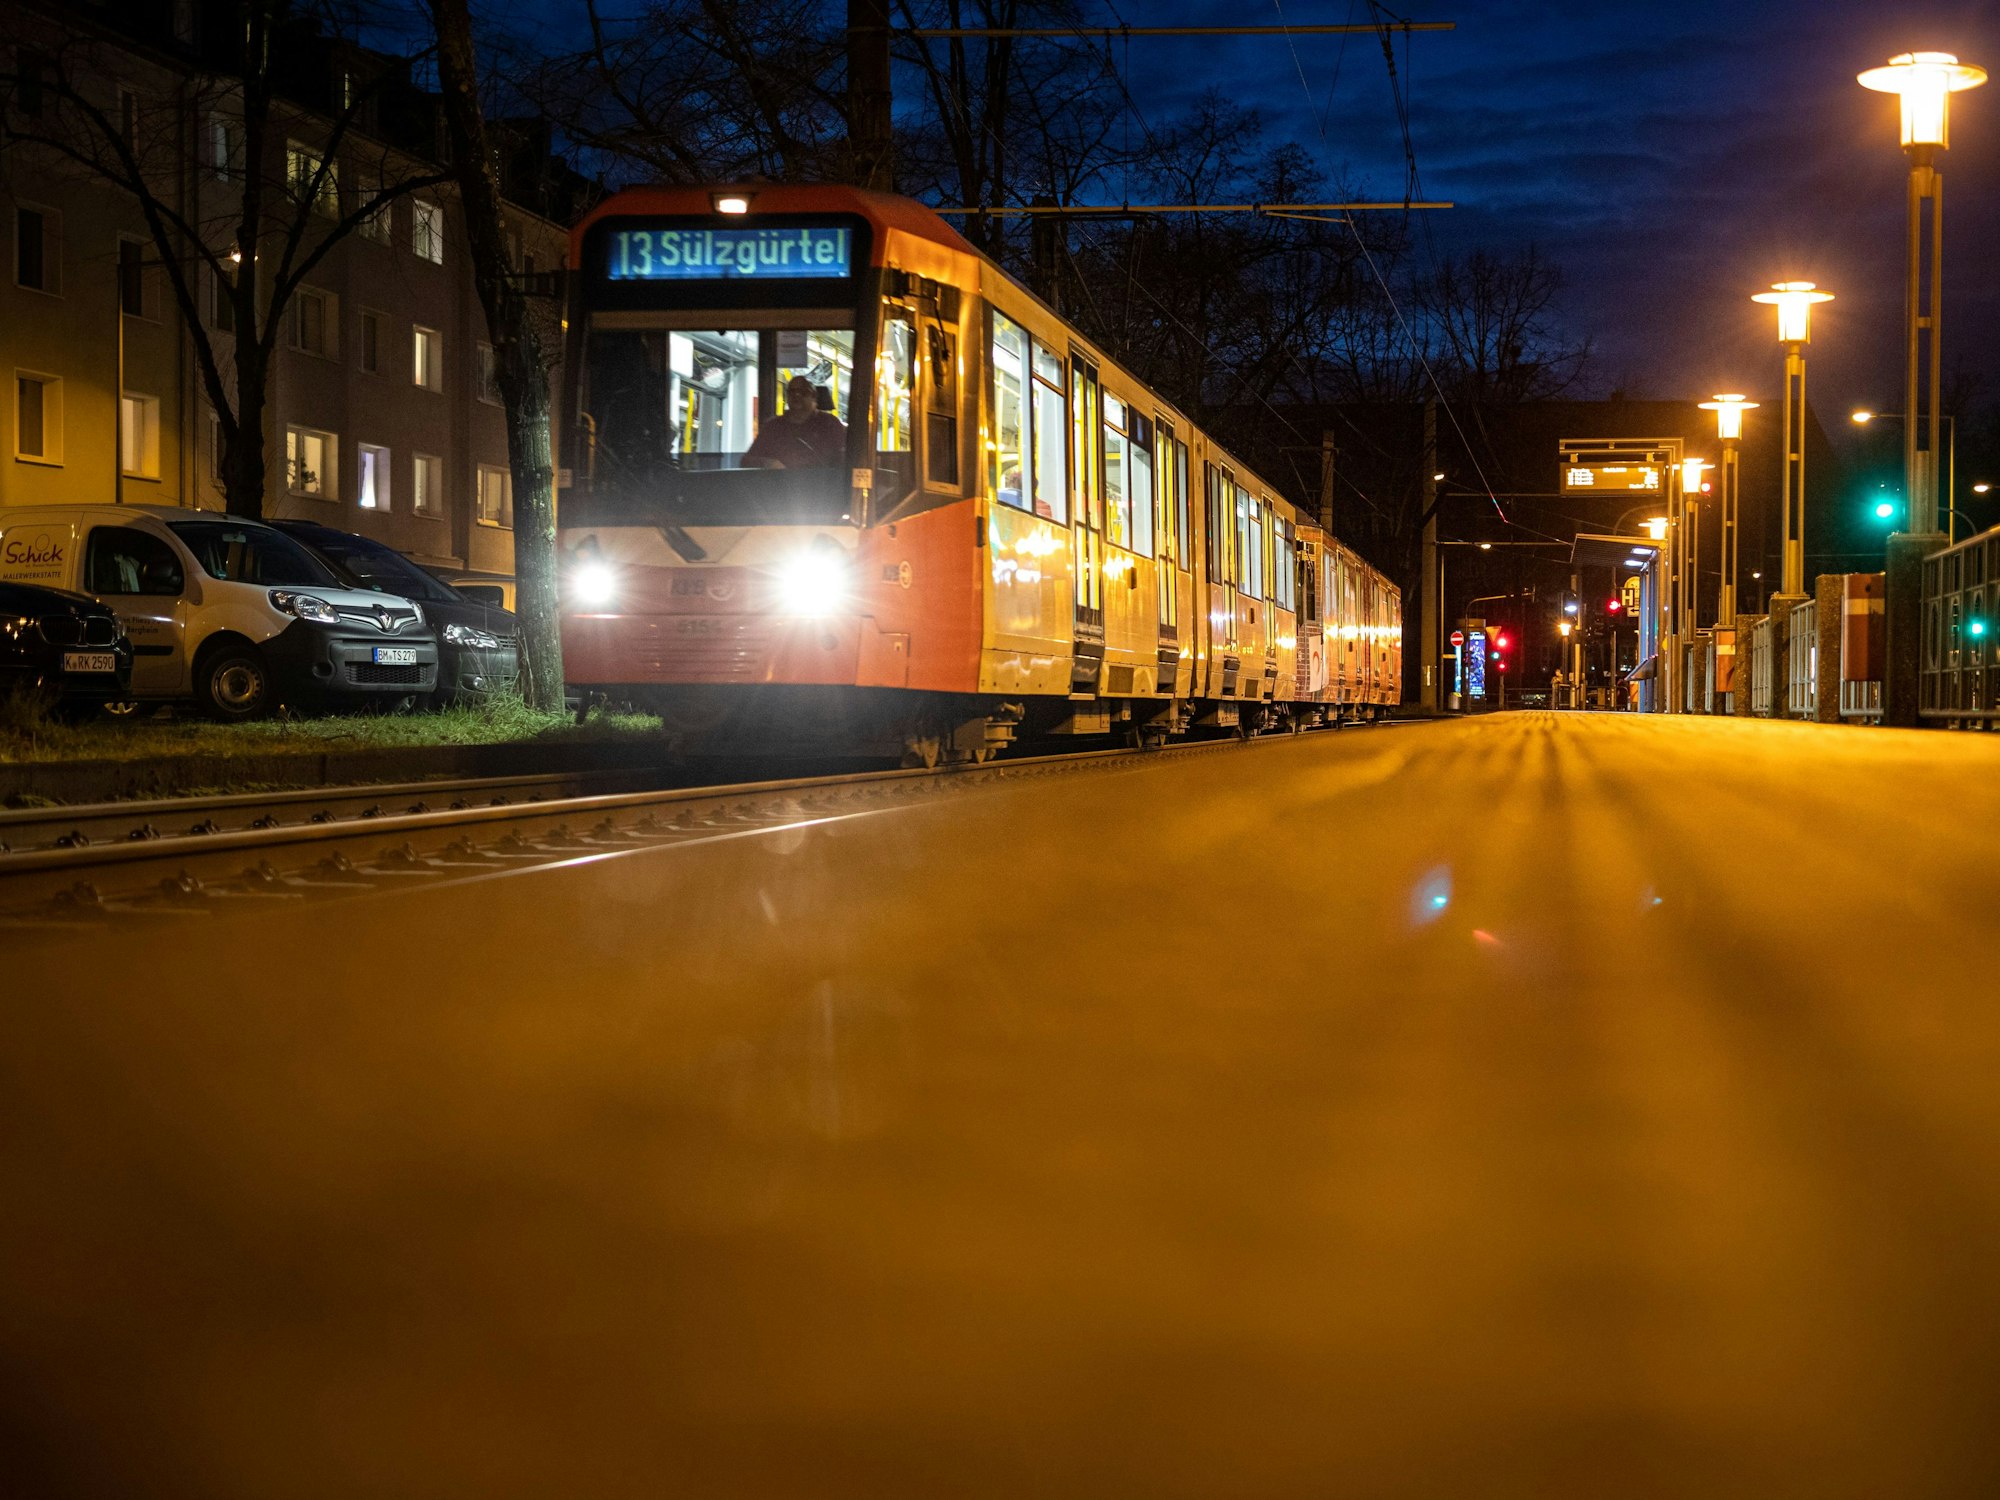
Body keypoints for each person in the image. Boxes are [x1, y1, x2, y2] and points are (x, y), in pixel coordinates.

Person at [743, 375, 847, 469]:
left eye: (803, 392)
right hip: (781, 483)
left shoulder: (829, 424)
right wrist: (768, 463)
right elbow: (746, 461)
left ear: (814, 396)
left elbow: (845, 459)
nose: (796, 395)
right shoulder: (773, 426)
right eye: (792, 392)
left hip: (822, 482)